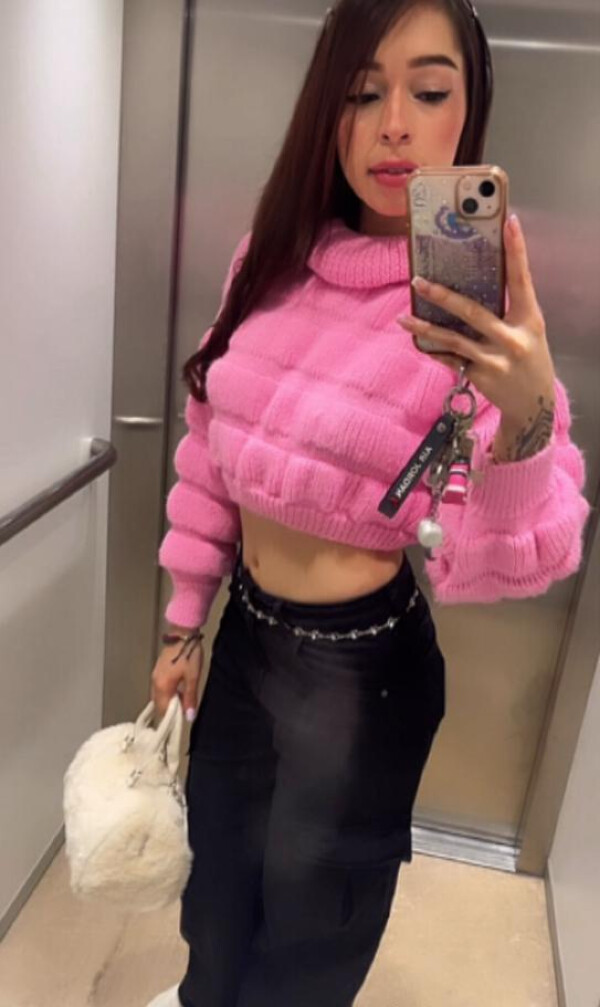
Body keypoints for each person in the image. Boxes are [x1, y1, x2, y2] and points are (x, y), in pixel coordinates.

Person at [147, 1, 591, 1005]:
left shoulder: (478, 303)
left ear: (468, 109)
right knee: (215, 882)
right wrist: (183, 620)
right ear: (328, 112)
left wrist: (525, 410)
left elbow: (517, 555)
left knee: (314, 919)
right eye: (362, 93)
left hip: (357, 671)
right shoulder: (271, 259)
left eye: (428, 90)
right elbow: (210, 451)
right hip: (245, 636)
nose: (394, 124)